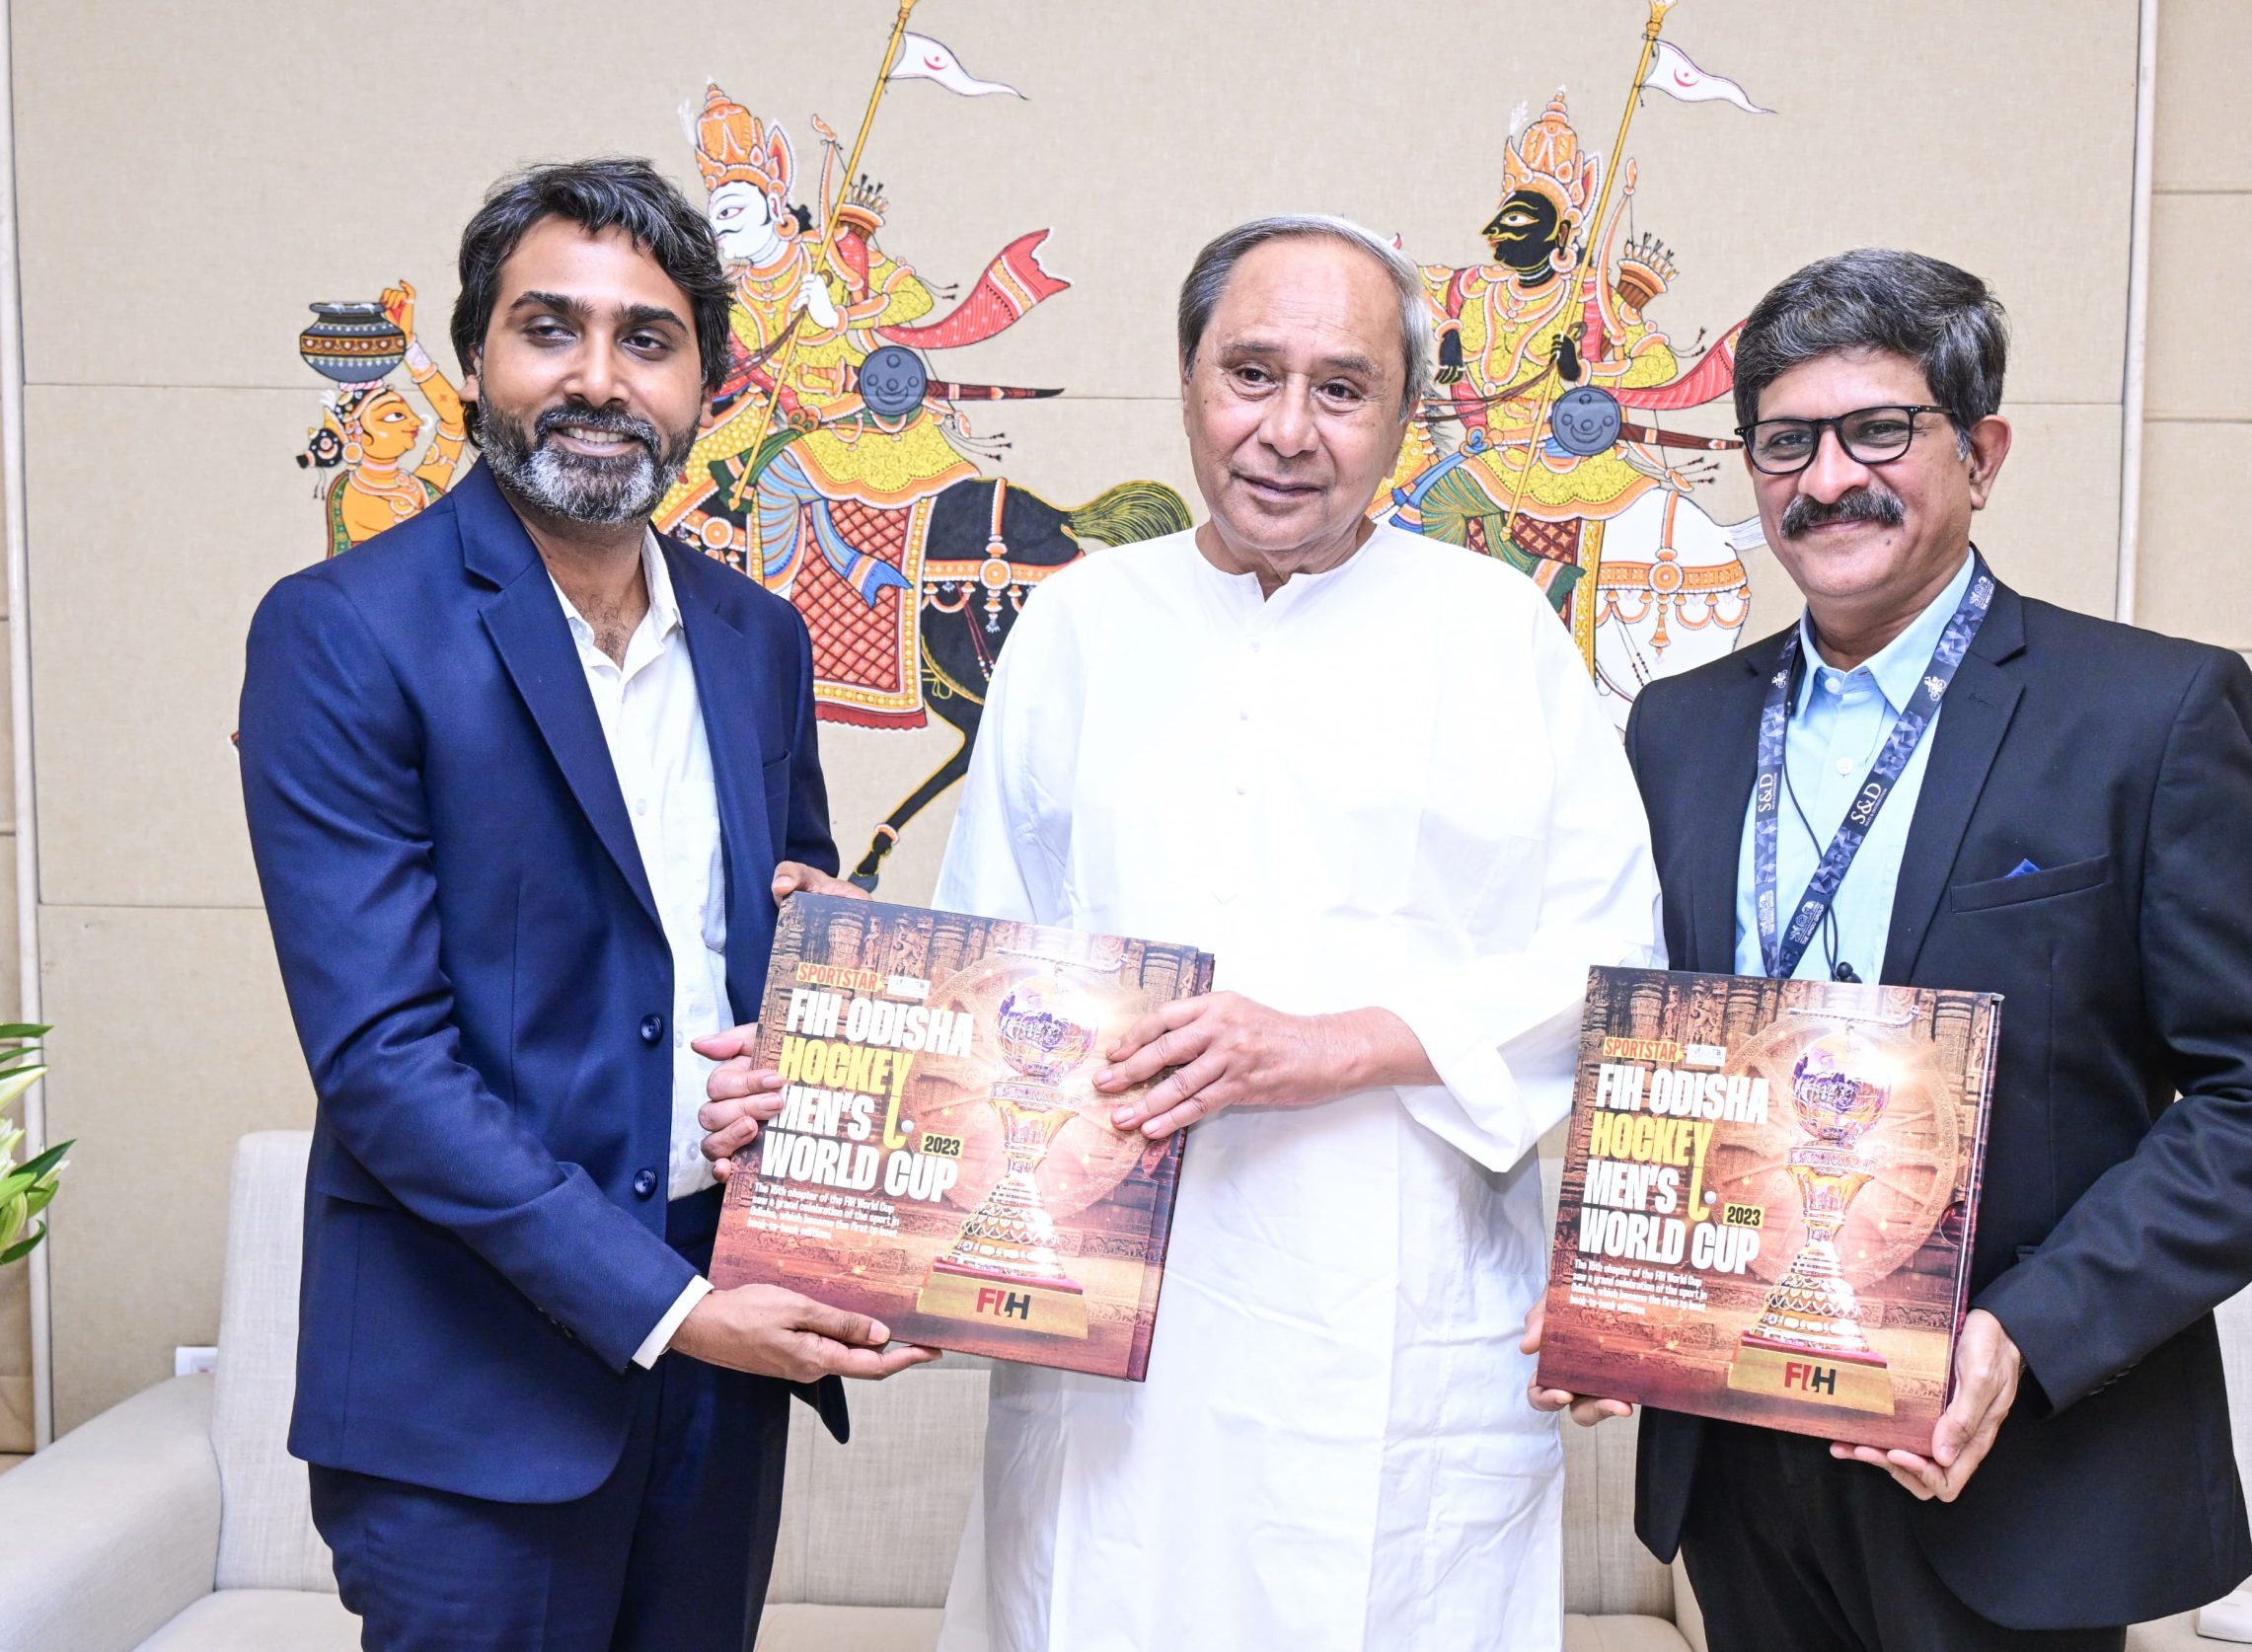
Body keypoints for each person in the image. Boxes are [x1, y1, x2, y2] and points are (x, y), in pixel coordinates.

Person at [700, 214, 1662, 1650]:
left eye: (1342, 388)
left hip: (1390, 1315)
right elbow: (993, 959)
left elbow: (1609, 968)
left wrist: (1336, 1046)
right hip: (1106, 1327)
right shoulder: (1079, 624)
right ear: (1188, 376)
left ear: (1407, 412)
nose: (1288, 430)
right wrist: (860, 994)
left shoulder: (1497, 631)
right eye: (1250, 374)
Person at [1532, 248, 2252, 1649]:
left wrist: (2030, 1330)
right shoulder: (1678, 730)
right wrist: (1627, 1286)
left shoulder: (2149, 714)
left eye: (1879, 431)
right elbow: (1664, 1047)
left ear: (1981, 455)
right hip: (1736, 1451)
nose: (1826, 479)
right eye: (1786, 441)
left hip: (2007, 1459)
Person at [239, 157, 932, 1652]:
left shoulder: (756, 639)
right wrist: (669, 1307)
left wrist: (824, 986)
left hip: (725, 1363)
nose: (599, 379)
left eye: (648, 339)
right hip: (468, 1388)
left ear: (707, 386)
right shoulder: (342, 632)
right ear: (474, 357)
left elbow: (772, 941)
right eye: (550, 329)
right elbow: (383, 1062)